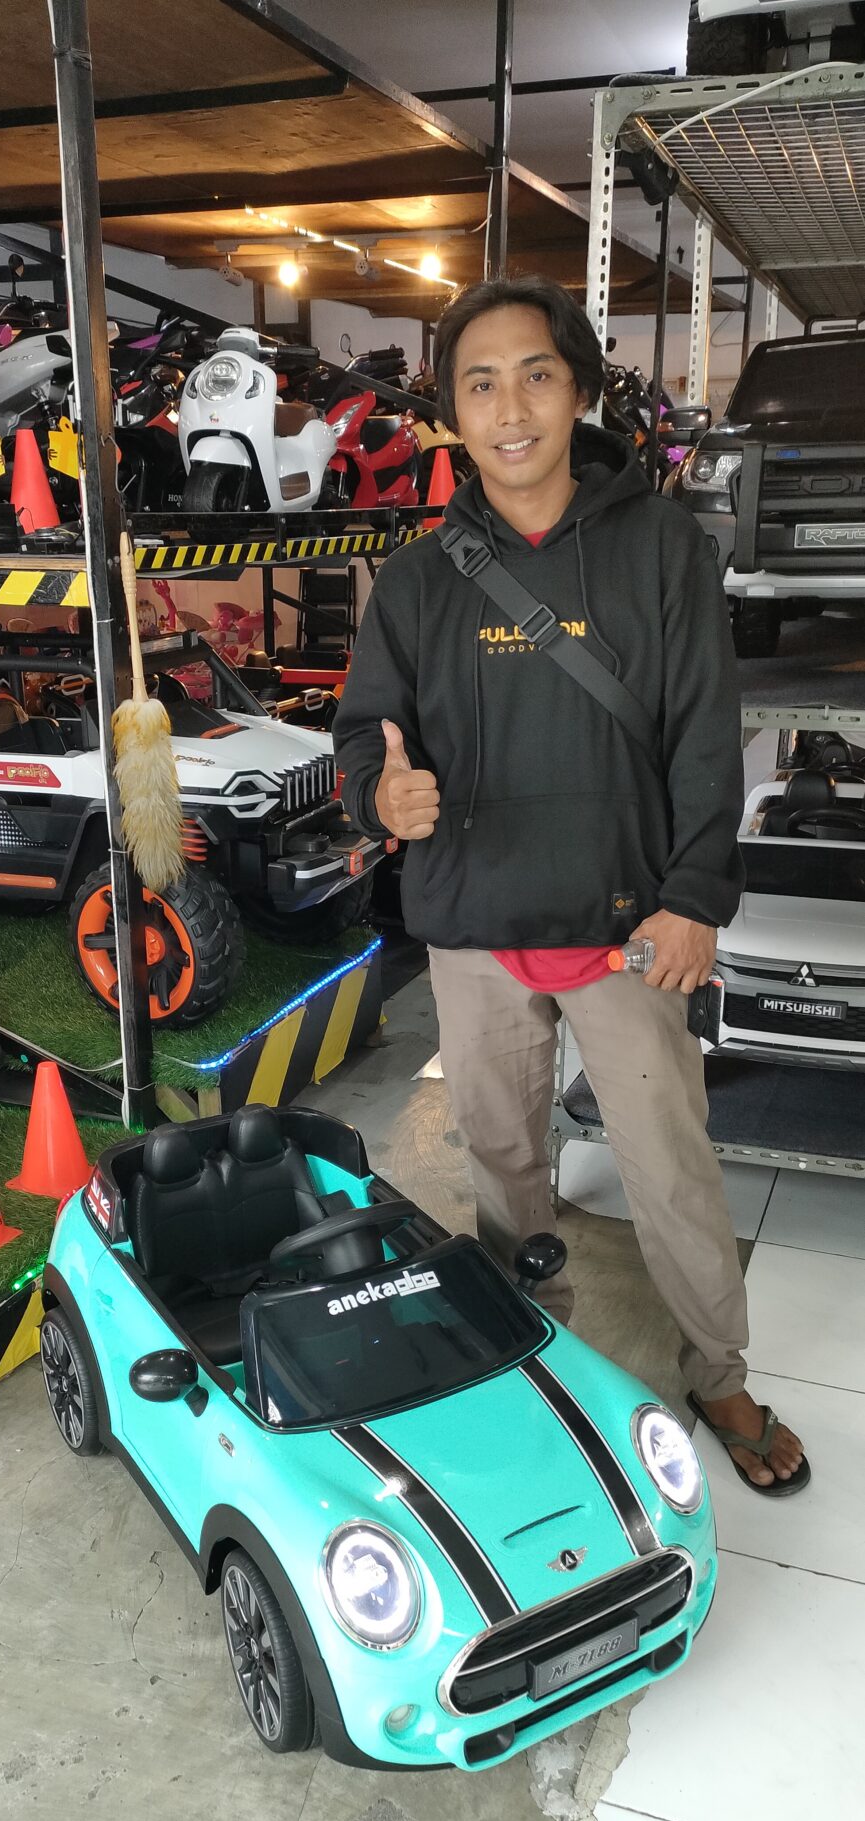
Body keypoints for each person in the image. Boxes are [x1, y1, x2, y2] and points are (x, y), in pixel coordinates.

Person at [333, 275, 808, 1497]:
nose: (510, 409)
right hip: (474, 922)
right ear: (451, 412)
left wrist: (696, 895)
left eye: (536, 375)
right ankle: (525, 1332)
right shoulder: (418, 577)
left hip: (627, 922)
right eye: (480, 384)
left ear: (582, 390)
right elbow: (363, 732)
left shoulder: (662, 549)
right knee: (500, 1156)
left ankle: (718, 1369)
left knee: (670, 1163)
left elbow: (705, 735)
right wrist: (381, 796)